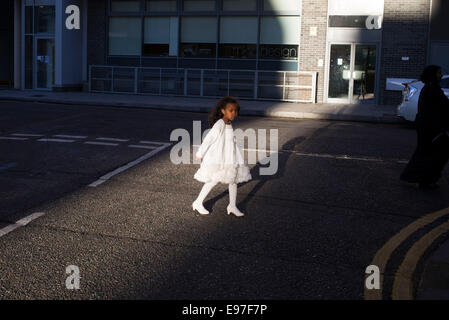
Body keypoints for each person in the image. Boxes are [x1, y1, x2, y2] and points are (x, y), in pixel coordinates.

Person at [192, 96, 252, 216]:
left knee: (233, 180)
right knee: (213, 180)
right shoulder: (220, 123)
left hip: (230, 157)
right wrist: (200, 153)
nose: (234, 113)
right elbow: (209, 139)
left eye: (235, 111)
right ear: (223, 111)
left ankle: (232, 206)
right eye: (231, 110)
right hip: (220, 158)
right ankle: (198, 202)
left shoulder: (228, 123)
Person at [400, 65, 449, 189]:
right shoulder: (432, 89)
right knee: (434, 154)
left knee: (426, 153)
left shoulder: (429, 88)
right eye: (439, 73)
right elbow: (437, 108)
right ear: (433, 74)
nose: (441, 75)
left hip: (428, 127)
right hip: (432, 129)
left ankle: (423, 179)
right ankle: (425, 179)